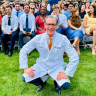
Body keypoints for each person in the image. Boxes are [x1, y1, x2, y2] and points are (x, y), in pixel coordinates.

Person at [19, 15, 79, 95]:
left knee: (65, 85)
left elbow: (74, 57)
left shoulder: (63, 39)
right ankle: (41, 82)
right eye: (48, 24)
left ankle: (56, 83)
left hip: (57, 66)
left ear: (57, 26)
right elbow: (23, 50)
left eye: (53, 24)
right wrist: (25, 68)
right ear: (44, 25)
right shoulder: (38, 38)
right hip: (41, 65)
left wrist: (67, 73)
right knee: (25, 77)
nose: (51, 27)